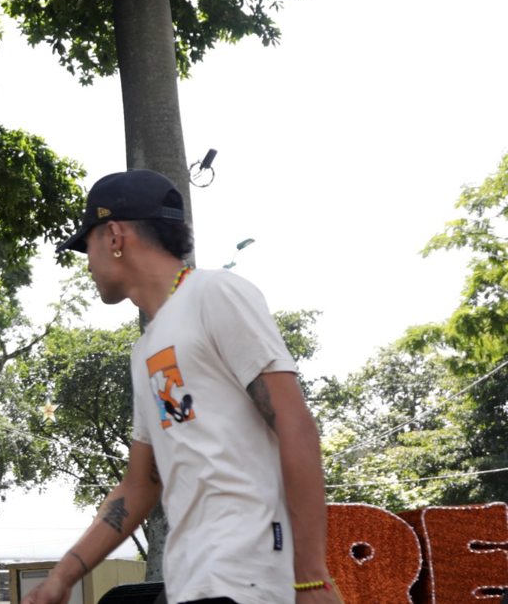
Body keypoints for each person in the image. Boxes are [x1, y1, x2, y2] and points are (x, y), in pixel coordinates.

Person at [24, 170, 342, 604]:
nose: (88, 261)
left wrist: (311, 579)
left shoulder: (215, 293)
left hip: (249, 578)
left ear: (114, 236)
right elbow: (139, 486)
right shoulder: (146, 349)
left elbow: (294, 423)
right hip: (189, 582)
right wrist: (61, 578)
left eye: (88, 244)